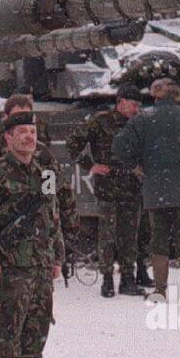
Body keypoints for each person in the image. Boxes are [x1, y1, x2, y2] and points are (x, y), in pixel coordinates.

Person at [111, 78, 180, 302]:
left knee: (159, 237)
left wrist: (136, 166)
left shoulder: (143, 119)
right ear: (178, 96)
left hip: (155, 187)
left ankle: (160, 290)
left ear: (155, 96)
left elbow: (119, 146)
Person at [0, 112, 64, 358]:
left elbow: (54, 216)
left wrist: (57, 257)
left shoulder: (46, 174)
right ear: (8, 138)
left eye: (32, 131)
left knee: (39, 320)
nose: (29, 136)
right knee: (13, 320)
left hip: (41, 259)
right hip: (13, 260)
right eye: (22, 132)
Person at [67, 85, 147, 297]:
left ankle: (128, 278)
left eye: (139, 105)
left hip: (133, 188)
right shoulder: (100, 121)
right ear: (120, 102)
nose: (136, 109)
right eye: (133, 104)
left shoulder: (140, 123)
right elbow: (74, 142)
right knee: (107, 235)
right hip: (108, 188)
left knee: (129, 235)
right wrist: (90, 165)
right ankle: (107, 279)